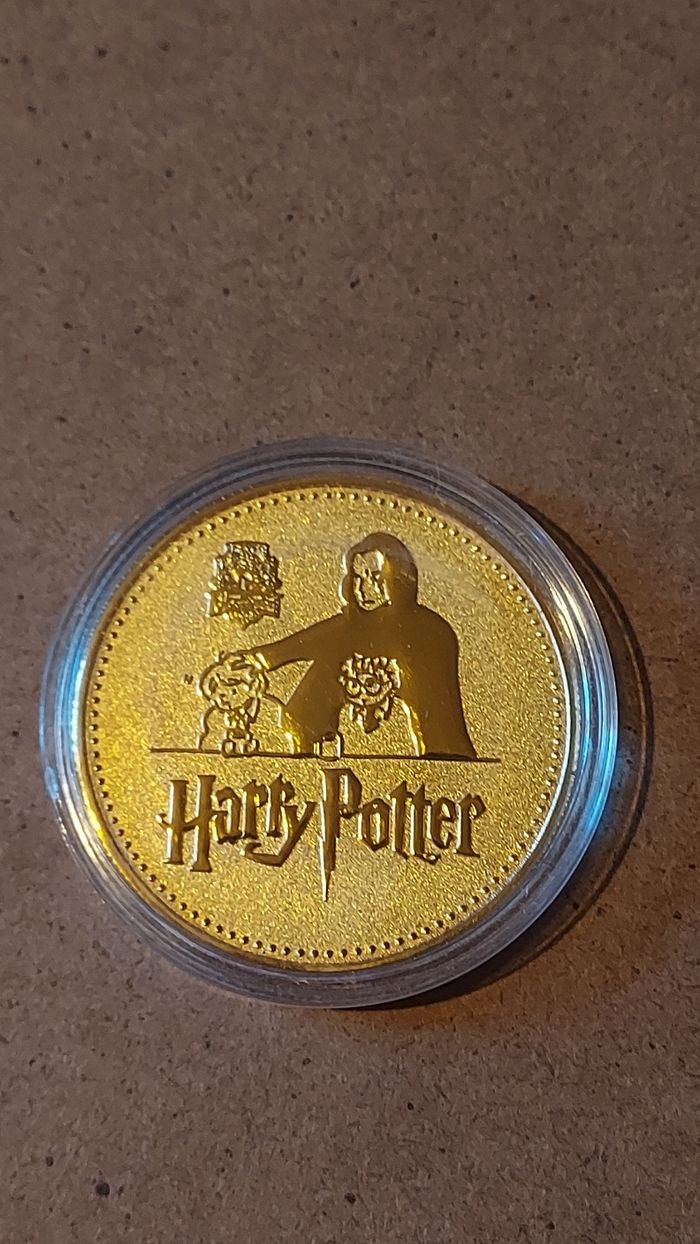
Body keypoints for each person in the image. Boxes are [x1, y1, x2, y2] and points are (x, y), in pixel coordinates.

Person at [252, 532, 478, 758]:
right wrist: (262, 657)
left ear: (396, 578)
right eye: (358, 577)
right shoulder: (364, 623)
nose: (364, 587)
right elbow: (325, 637)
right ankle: (306, 749)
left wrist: (264, 658)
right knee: (306, 702)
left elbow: (328, 637)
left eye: (375, 576)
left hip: (441, 752)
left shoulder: (422, 629)